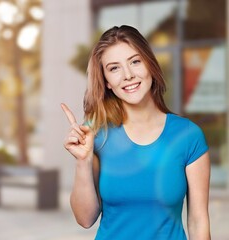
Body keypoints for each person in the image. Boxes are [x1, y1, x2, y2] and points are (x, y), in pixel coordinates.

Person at [61, 25, 211, 240]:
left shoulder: (188, 136)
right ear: (107, 82)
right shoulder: (95, 132)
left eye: (135, 61)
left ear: (149, 64)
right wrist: (82, 161)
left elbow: (198, 222)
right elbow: (85, 219)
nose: (128, 75)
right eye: (114, 68)